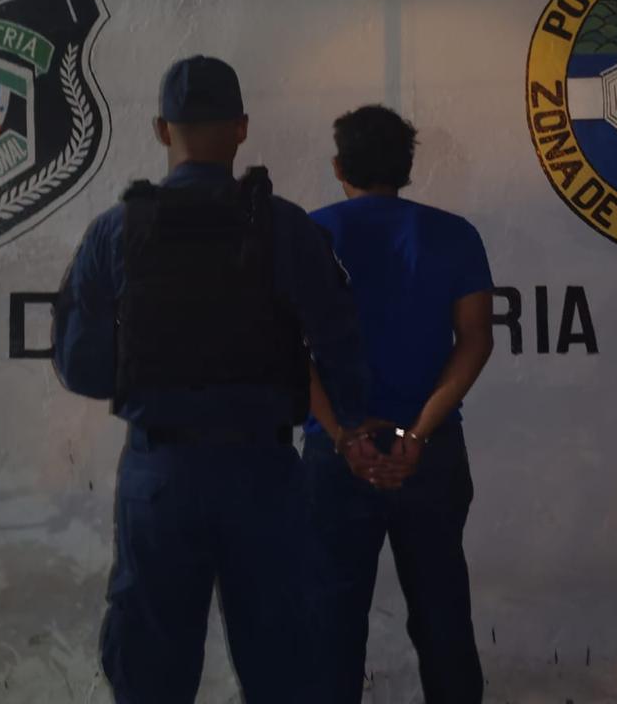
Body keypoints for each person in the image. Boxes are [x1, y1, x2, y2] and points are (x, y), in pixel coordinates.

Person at [51, 56, 376, 704]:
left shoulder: (118, 229)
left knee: (151, 671)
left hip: (160, 476)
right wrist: (346, 428)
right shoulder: (286, 226)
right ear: (241, 128)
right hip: (264, 475)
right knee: (285, 666)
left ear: (161, 129)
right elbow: (343, 352)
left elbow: (81, 368)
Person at [303, 104, 495, 704]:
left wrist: (343, 434)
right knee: (443, 619)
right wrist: (417, 435)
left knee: (329, 627)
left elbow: (283, 347)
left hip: (336, 456)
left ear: (339, 166)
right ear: (408, 167)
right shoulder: (455, 235)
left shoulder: (308, 234)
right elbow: (476, 340)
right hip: (431, 455)